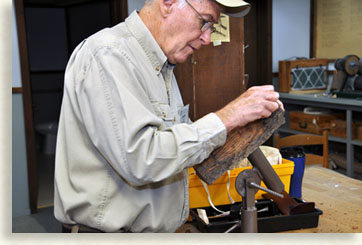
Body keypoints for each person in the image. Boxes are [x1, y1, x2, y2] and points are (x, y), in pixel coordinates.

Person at [54, 0, 283, 233]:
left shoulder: (161, 65)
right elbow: (140, 159)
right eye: (204, 22)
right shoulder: (109, 55)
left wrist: (238, 125)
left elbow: (170, 144)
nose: (206, 38)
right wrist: (228, 116)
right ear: (169, 3)